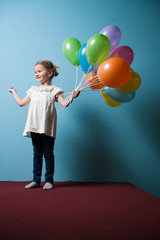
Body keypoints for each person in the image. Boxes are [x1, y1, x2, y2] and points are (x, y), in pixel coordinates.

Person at [9, 60, 80, 190]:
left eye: (39, 71)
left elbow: (64, 103)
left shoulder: (54, 90)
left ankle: (49, 181)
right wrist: (13, 91)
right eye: (35, 72)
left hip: (47, 127)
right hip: (34, 126)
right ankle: (36, 180)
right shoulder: (33, 90)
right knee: (37, 153)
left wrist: (73, 96)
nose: (36, 74)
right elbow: (21, 103)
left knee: (48, 153)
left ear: (50, 73)